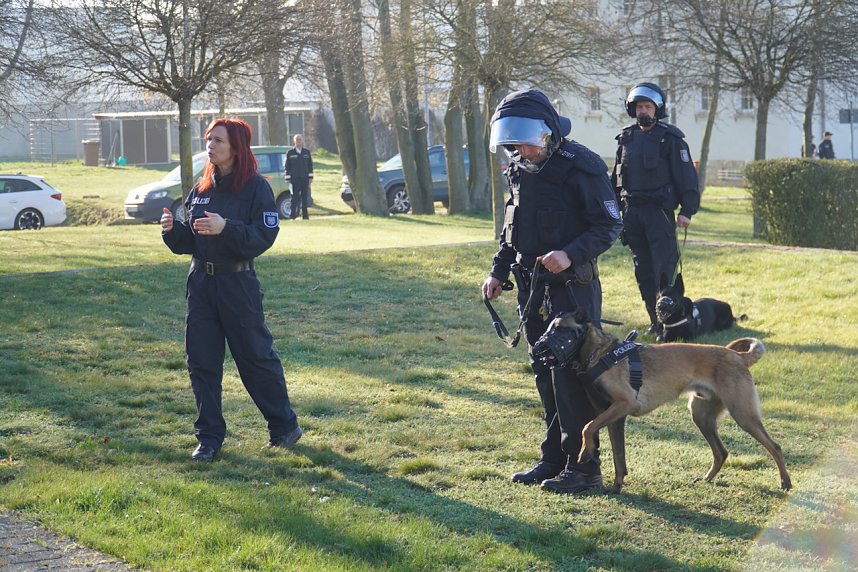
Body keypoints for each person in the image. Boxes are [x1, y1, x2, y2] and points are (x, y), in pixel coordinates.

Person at [482, 89, 623, 493]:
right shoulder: (518, 168)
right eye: (514, 141)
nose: (520, 149)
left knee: (574, 377)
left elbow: (609, 225)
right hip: (532, 290)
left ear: (547, 133)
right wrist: (498, 272)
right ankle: (554, 459)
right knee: (545, 373)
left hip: (572, 290)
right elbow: (513, 230)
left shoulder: (582, 166)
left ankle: (585, 468)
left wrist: (569, 253)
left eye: (526, 140)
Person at [161, 118, 302, 462]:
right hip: (201, 285)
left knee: (255, 358)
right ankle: (208, 439)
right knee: (202, 362)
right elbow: (190, 242)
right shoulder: (202, 188)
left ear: (236, 147)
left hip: (237, 284)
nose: (210, 146)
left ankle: (284, 427)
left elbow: (262, 237)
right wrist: (172, 231)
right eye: (208, 140)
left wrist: (226, 228)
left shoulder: (255, 188)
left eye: (218, 141)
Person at [612, 82, 700, 340]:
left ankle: (671, 323)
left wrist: (687, 210)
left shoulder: (670, 139)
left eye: (648, 106)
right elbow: (616, 179)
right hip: (632, 214)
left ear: (657, 109)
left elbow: (686, 178)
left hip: (659, 213)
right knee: (643, 270)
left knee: (663, 269)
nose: (643, 111)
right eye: (639, 106)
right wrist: (613, 210)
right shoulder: (626, 139)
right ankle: (654, 319)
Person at [284, 134, 314, 219]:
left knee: (304, 197)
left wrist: (310, 178)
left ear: (302, 141)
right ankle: (292, 216)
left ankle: (305, 216)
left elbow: (310, 166)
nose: (298, 141)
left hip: (304, 178)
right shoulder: (290, 153)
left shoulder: (306, 152)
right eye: (297, 140)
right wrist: (288, 179)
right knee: (294, 198)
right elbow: (287, 166)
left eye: (300, 139)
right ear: (294, 141)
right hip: (294, 179)